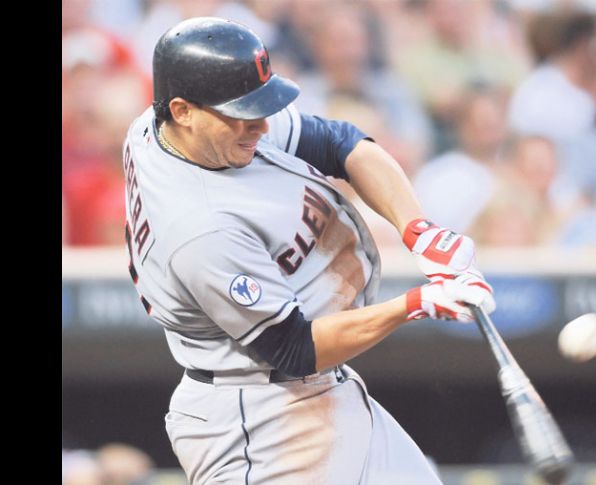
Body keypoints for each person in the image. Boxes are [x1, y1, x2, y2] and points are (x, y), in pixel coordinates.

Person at [121, 17, 495, 485]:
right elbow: (295, 347)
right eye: (241, 111)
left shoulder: (182, 129)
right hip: (258, 421)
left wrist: (418, 231)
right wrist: (416, 305)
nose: (259, 124)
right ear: (182, 110)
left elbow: (340, 143)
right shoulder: (200, 227)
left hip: (320, 390)